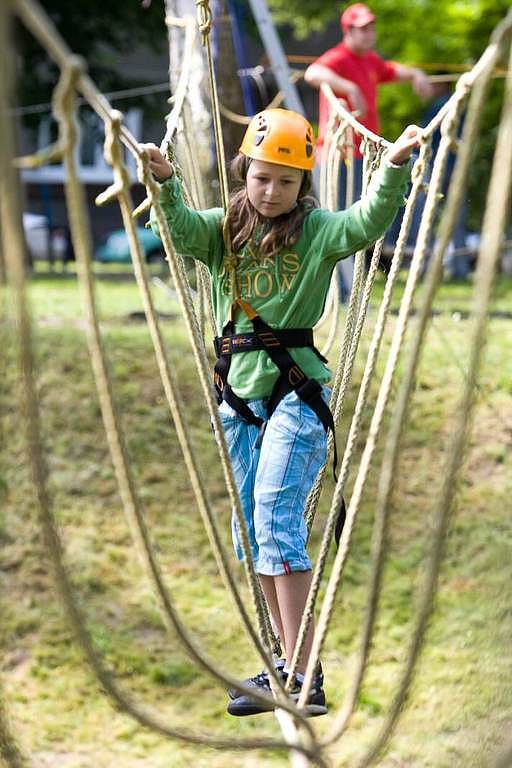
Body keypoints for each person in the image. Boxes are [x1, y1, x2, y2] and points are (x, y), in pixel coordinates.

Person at [141, 108, 420, 717]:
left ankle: (301, 670)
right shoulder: (221, 231)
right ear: (245, 171)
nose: (272, 192)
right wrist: (163, 179)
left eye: (286, 182)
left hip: (297, 395)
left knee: (274, 520)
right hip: (237, 400)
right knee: (254, 534)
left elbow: (366, 222)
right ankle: (287, 663)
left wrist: (393, 167)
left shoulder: (318, 231)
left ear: (303, 185)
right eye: (262, 178)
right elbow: (180, 229)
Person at [304, 2, 432, 296]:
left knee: (363, 220)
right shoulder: (337, 58)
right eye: (362, 29)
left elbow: (391, 70)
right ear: (347, 32)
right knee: (338, 221)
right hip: (340, 157)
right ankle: (340, 290)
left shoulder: (371, 61)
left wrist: (416, 75)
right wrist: (348, 88)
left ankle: (352, 287)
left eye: (371, 28)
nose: (369, 34)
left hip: (367, 157)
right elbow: (312, 73)